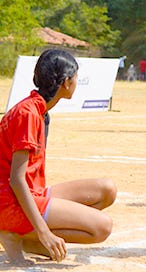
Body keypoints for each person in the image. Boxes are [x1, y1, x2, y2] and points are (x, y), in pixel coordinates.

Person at [0, 49, 116, 265]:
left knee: (107, 189)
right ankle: (17, 234)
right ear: (65, 82)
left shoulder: (40, 110)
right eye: (75, 77)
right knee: (102, 227)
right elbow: (16, 180)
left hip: (29, 192)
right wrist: (45, 231)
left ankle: (26, 238)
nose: (76, 82)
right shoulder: (28, 114)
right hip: (9, 201)